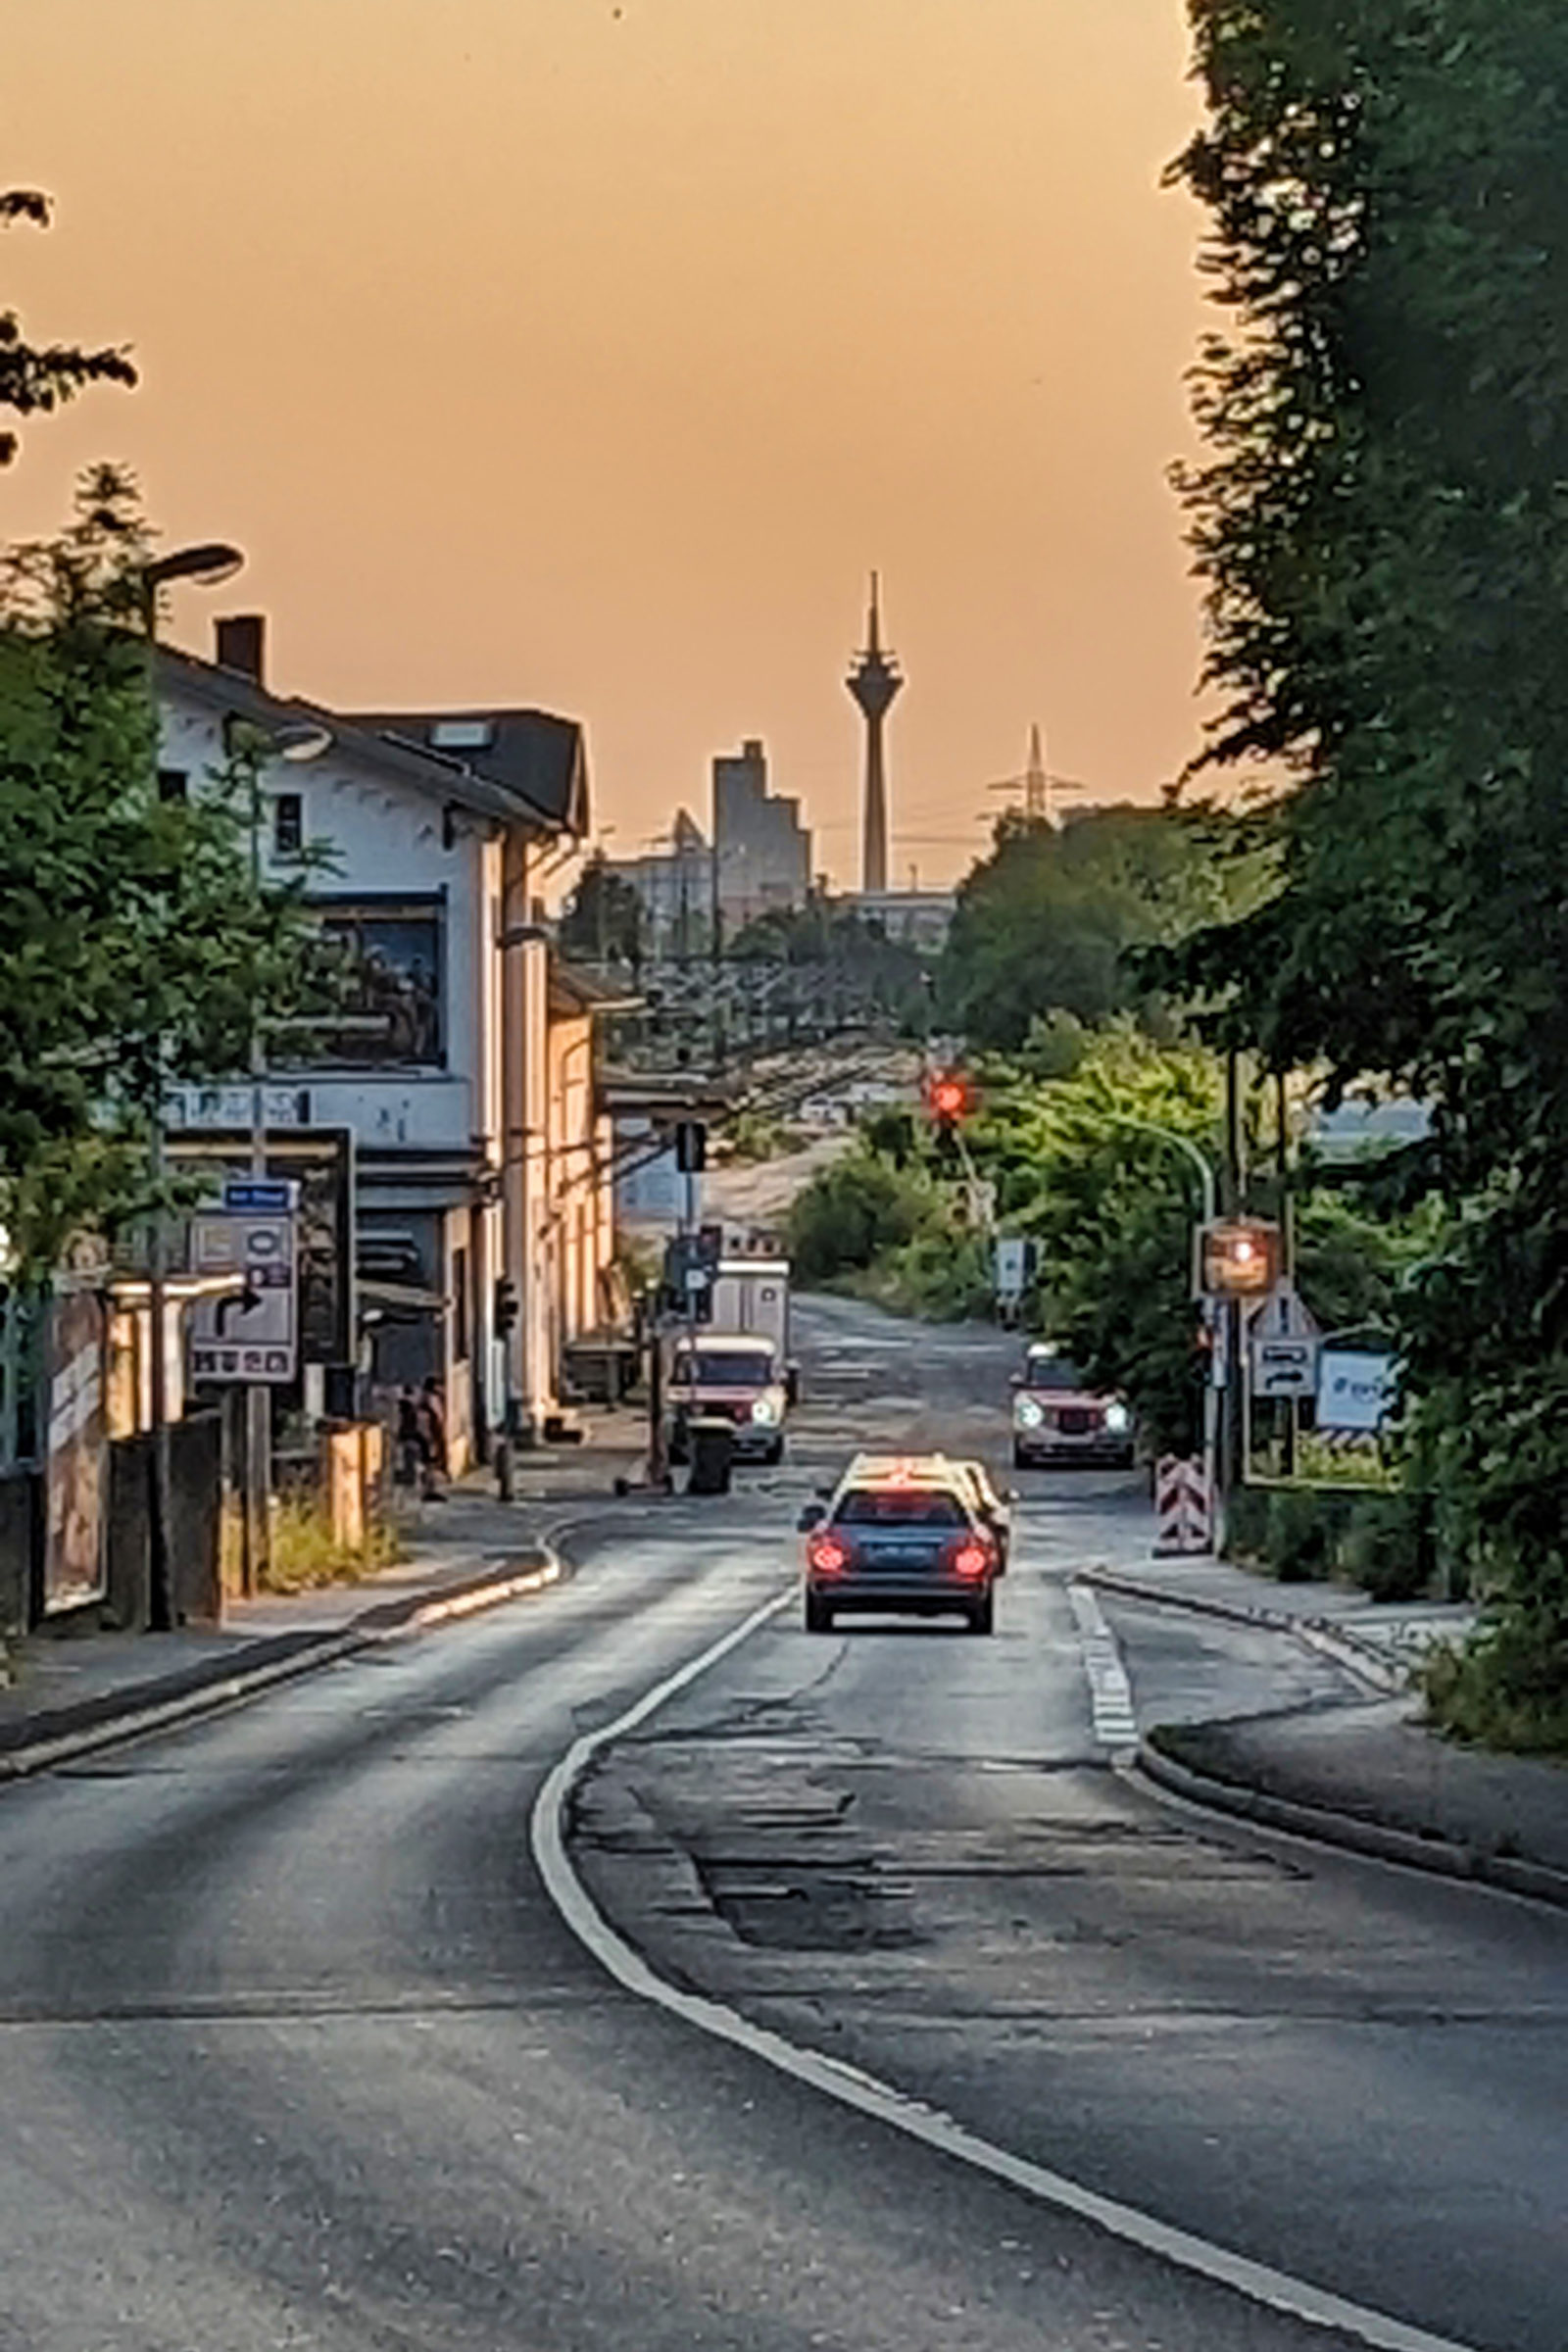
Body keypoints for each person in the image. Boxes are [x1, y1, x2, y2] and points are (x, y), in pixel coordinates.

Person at [417, 1375, 449, 1498]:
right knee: (429, 1463)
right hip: (429, 1435)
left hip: (427, 1435)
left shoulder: (426, 1398)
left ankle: (429, 1489)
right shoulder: (431, 1399)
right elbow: (436, 1419)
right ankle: (429, 1491)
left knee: (429, 1463)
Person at [394, 1385, 422, 1489]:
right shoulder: (413, 1407)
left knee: (409, 1456)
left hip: (409, 1435)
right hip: (412, 1436)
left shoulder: (409, 1410)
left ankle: (411, 1477)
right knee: (410, 1457)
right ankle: (411, 1476)